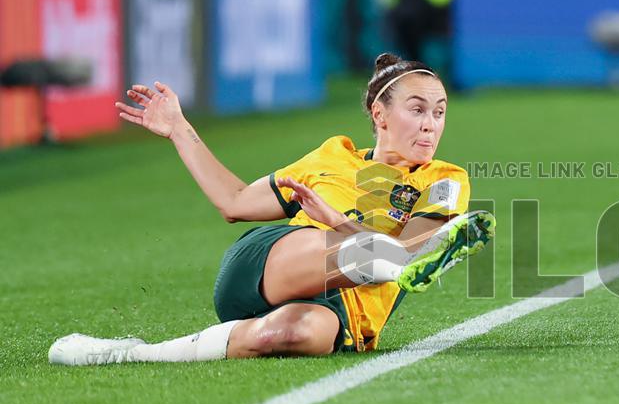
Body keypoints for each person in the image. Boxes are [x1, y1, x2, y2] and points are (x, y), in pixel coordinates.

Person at [48, 53, 494, 366]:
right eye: (417, 110)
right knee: (377, 255)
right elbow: (235, 203)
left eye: (439, 112)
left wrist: (339, 222)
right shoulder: (331, 157)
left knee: (292, 334)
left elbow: (413, 246)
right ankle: (378, 256)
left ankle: (132, 352)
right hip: (268, 263)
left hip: (347, 315)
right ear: (379, 115)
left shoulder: (443, 178)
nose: (430, 124)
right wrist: (180, 131)